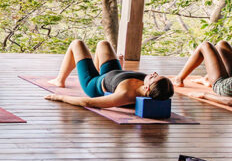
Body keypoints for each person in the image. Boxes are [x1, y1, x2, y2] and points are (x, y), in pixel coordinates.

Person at [45, 39, 173, 108]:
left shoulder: (125, 94)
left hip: (94, 83)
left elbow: (87, 102)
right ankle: (95, 67)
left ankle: (59, 80)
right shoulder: (150, 85)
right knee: (103, 44)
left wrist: (60, 97)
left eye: (154, 77)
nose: (154, 73)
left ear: (147, 88)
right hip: (113, 74)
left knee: (77, 43)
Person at [172, 40, 232, 107]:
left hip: (223, 85)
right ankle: (207, 78)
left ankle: (178, 79)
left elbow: (230, 101)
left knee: (205, 45)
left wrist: (204, 95)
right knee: (222, 45)